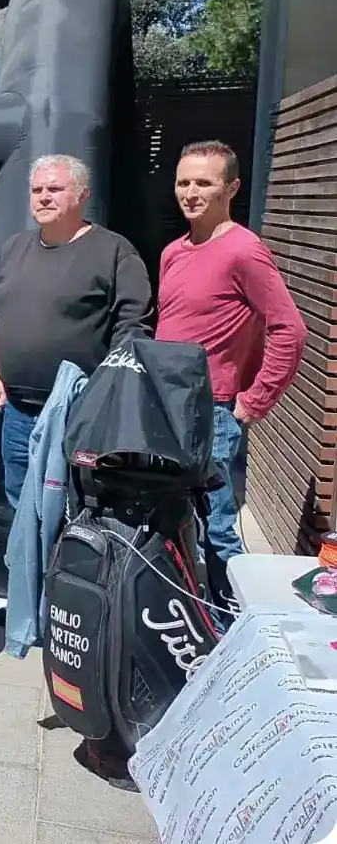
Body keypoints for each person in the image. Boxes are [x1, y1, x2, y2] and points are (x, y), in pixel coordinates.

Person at [154, 140, 306, 620]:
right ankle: (191, 619)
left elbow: (290, 330)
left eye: (205, 182)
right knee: (175, 523)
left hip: (215, 412)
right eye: (184, 182)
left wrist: (252, 403)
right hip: (168, 409)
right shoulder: (173, 252)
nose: (191, 192)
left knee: (216, 527)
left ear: (232, 187)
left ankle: (237, 628)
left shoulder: (244, 251)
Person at [0, 155, 152, 508]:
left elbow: (133, 327)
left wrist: (107, 395)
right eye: (37, 190)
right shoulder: (14, 248)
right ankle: (25, 566)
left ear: (82, 194)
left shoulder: (114, 251)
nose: (44, 197)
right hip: (16, 411)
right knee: (19, 502)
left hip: (78, 413)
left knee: (71, 507)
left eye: (55, 189)